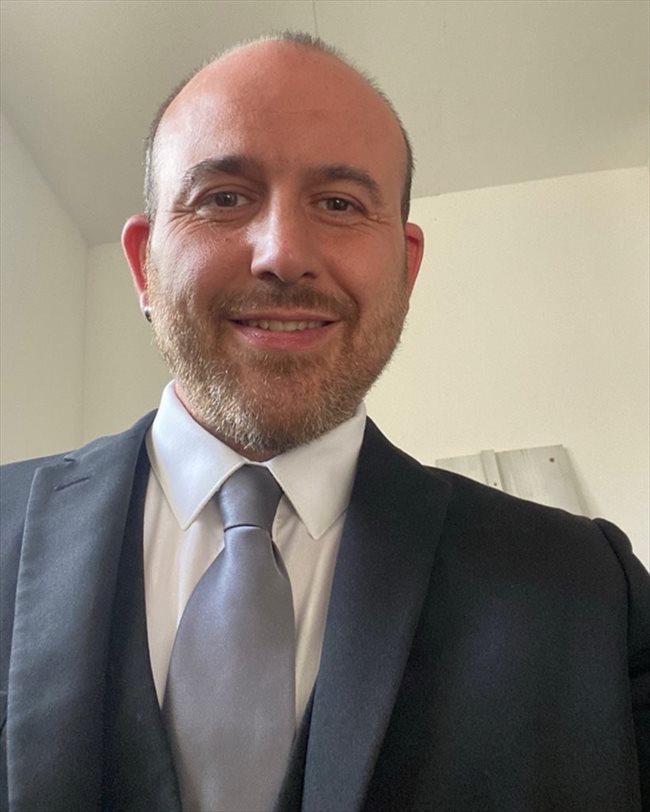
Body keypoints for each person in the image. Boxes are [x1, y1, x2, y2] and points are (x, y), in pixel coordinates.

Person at [1, 31, 648, 812]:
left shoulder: (592, 592)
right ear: (143, 264)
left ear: (406, 267)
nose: (283, 253)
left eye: (339, 204)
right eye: (224, 197)